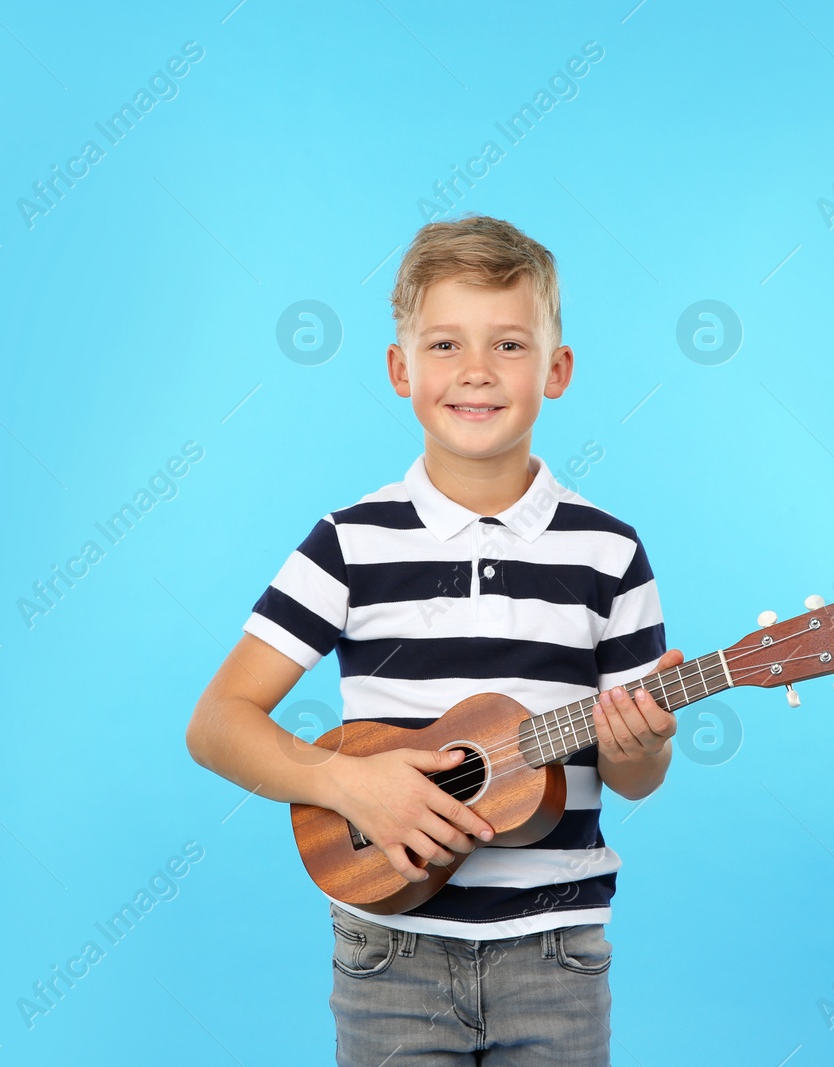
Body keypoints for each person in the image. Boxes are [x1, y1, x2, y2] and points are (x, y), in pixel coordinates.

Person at [186, 214, 684, 1065]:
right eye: (446, 344)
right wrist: (350, 784)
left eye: (511, 345)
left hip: (556, 952)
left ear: (557, 370)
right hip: (389, 954)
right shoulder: (348, 544)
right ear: (399, 368)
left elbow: (634, 775)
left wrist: (642, 743)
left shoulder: (608, 551)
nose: (478, 371)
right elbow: (217, 724)